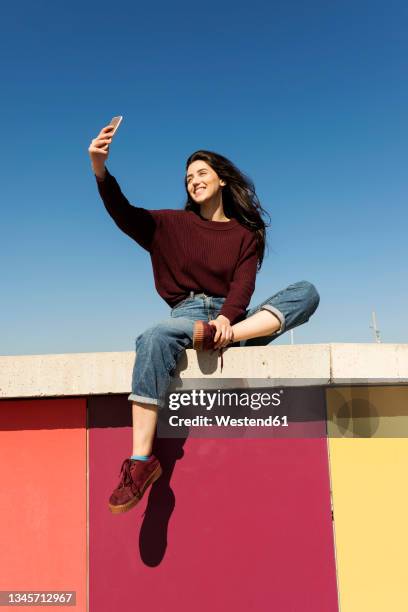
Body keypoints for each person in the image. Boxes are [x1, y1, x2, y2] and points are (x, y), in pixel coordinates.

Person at [88, 123, 320, 515]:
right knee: (154, 336)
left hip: (236, 323)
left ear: (222, 180)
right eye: (188, 177)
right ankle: (142, 462)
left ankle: (215, 335)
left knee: (307, 292)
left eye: (201, 173)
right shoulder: (169, 225)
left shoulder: (246, 234)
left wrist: (228, 322)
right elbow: (123, 213)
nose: (193, 181)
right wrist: (99, 168)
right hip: (187, 319)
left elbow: (243, 288)